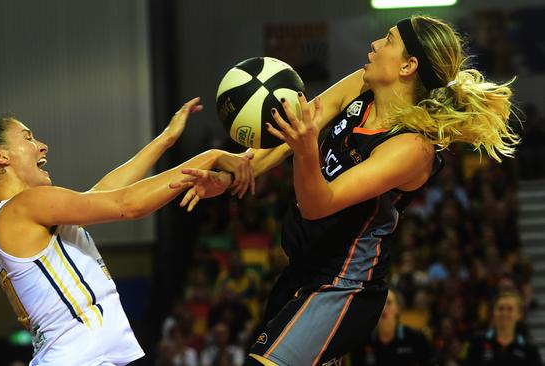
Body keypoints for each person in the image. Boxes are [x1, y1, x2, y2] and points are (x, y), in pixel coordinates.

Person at [172, 15, 519, 366]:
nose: (375, 45)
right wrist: (235, 173)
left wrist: (308, 149)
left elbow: (317, 204)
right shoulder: (363, 86)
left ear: (408, 65)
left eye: (388, 40)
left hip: (343, 285)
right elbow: (293, 130)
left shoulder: (412, 149)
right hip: (301, 270)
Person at [0, 97, 254, 366]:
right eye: (28, 138)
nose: (42, 146)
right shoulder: (26, 205)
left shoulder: (20, 212)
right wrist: (208, 156)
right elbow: (127, 204)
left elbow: (106, 192)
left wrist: (166, 140)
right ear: (0, 157)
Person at [348, 289, 436, 366]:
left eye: (389, 303)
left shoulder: (416, 338)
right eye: (380, 303)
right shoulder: (362, 341)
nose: (384, 308)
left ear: (397, 309)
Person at [463, 290, 542, 365]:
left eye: (509, 309)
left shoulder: (529, 349)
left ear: (519, 315)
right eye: (500, 308)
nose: (504, 313)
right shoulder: (475, 341)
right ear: (494, 312)